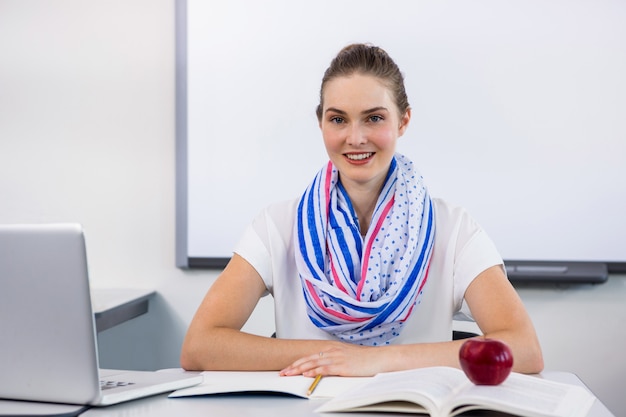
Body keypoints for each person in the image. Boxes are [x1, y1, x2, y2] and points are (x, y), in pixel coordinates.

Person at [180, 43, 544, 377]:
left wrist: (373, 360)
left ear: (403, 121)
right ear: (321, 123)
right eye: (338, 119)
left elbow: (524, 349)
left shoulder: (454, 228)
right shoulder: (276, 226)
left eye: (374, 118)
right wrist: (333, 355)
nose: (355, 138)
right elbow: (200, 346)